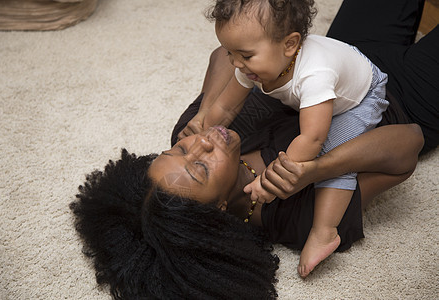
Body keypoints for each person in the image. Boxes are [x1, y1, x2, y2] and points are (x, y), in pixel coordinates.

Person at [71, 0, 436, 298]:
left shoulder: (201, 130)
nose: (199, 145)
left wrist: (204, 110)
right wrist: (317, 169)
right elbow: (410, 142)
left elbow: (222, 55)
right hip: (407, 99)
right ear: (218, 210)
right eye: (201, 167)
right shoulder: (296, 218)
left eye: (178, 151)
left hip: (337, 61)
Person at [177, 0, 392, 278]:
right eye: (230, 53)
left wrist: (272, 180)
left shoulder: (315, 74)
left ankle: (324, 232)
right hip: (328, 84)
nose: (236, 63)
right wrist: (207, 127)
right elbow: (227, 107)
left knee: (331, 154)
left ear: (290, 45)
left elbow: (312, 140)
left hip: (363, 96)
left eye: (244, 55)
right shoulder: (250, 65)